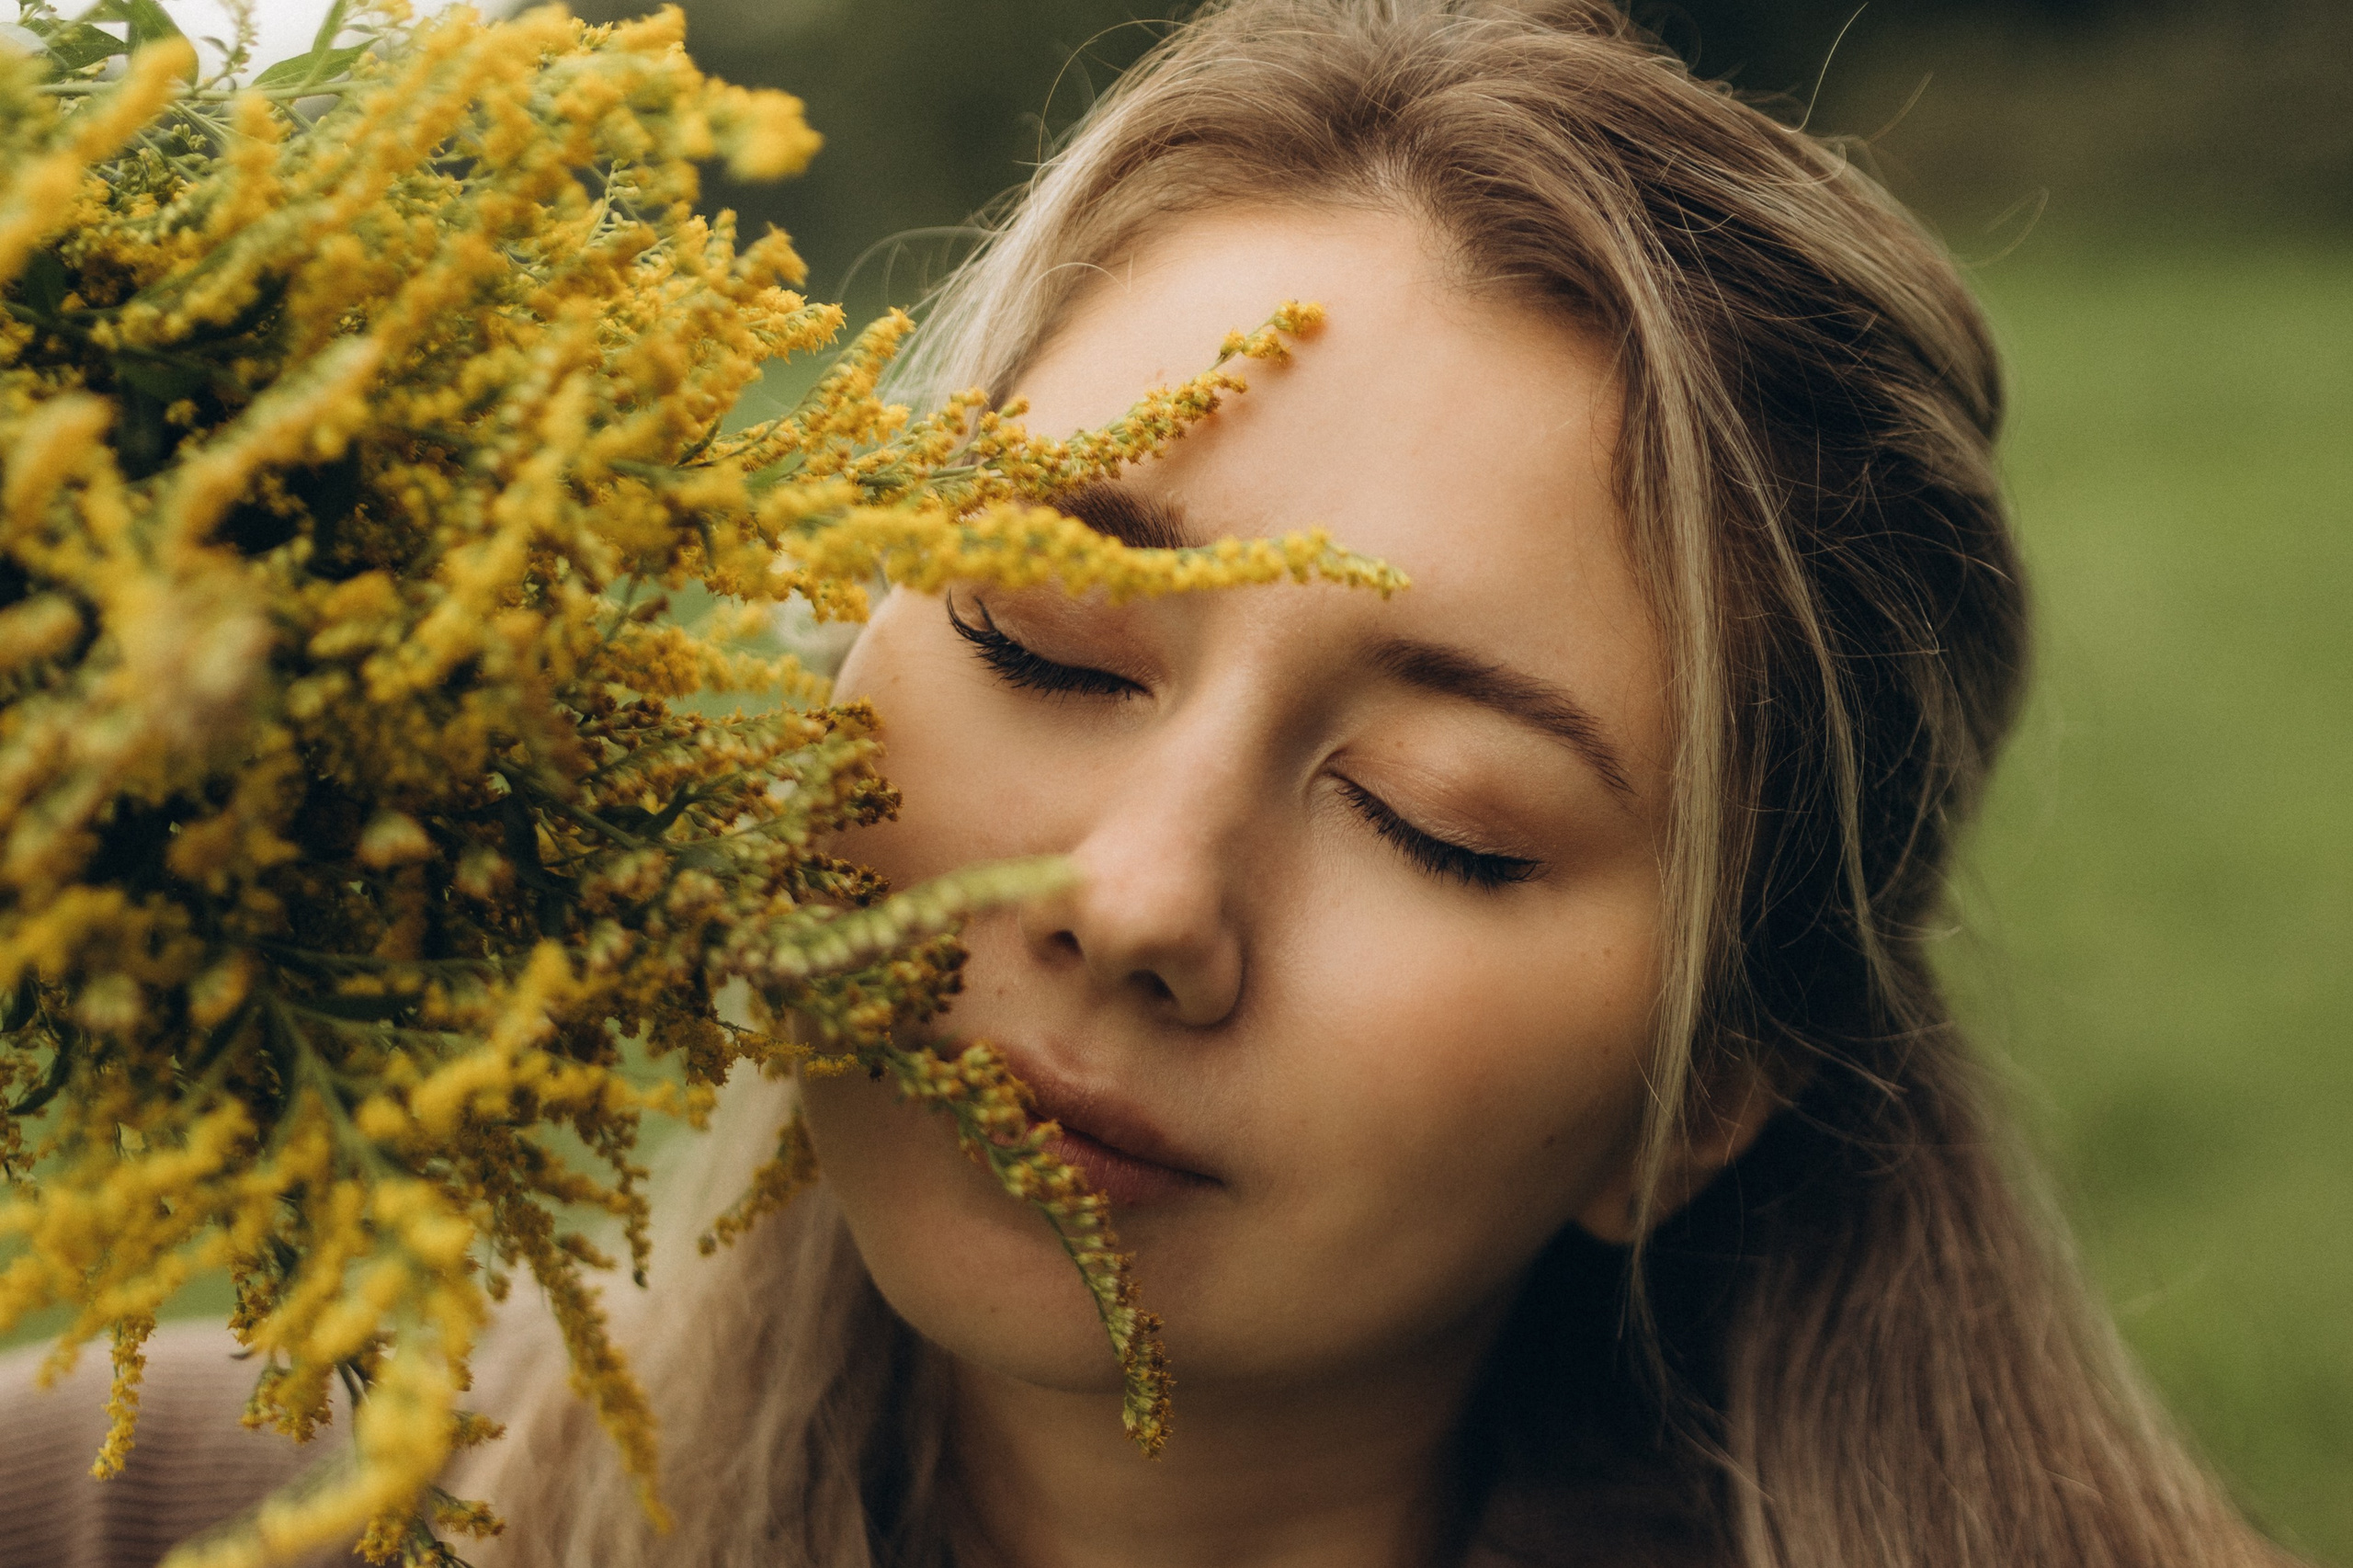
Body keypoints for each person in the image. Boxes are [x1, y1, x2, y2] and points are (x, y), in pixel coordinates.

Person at [0, 3, 2299, 1566]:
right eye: (1038, 633)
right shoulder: (152, 1508)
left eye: (1436, 813)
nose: (1138, 895)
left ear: (1700, 1097)